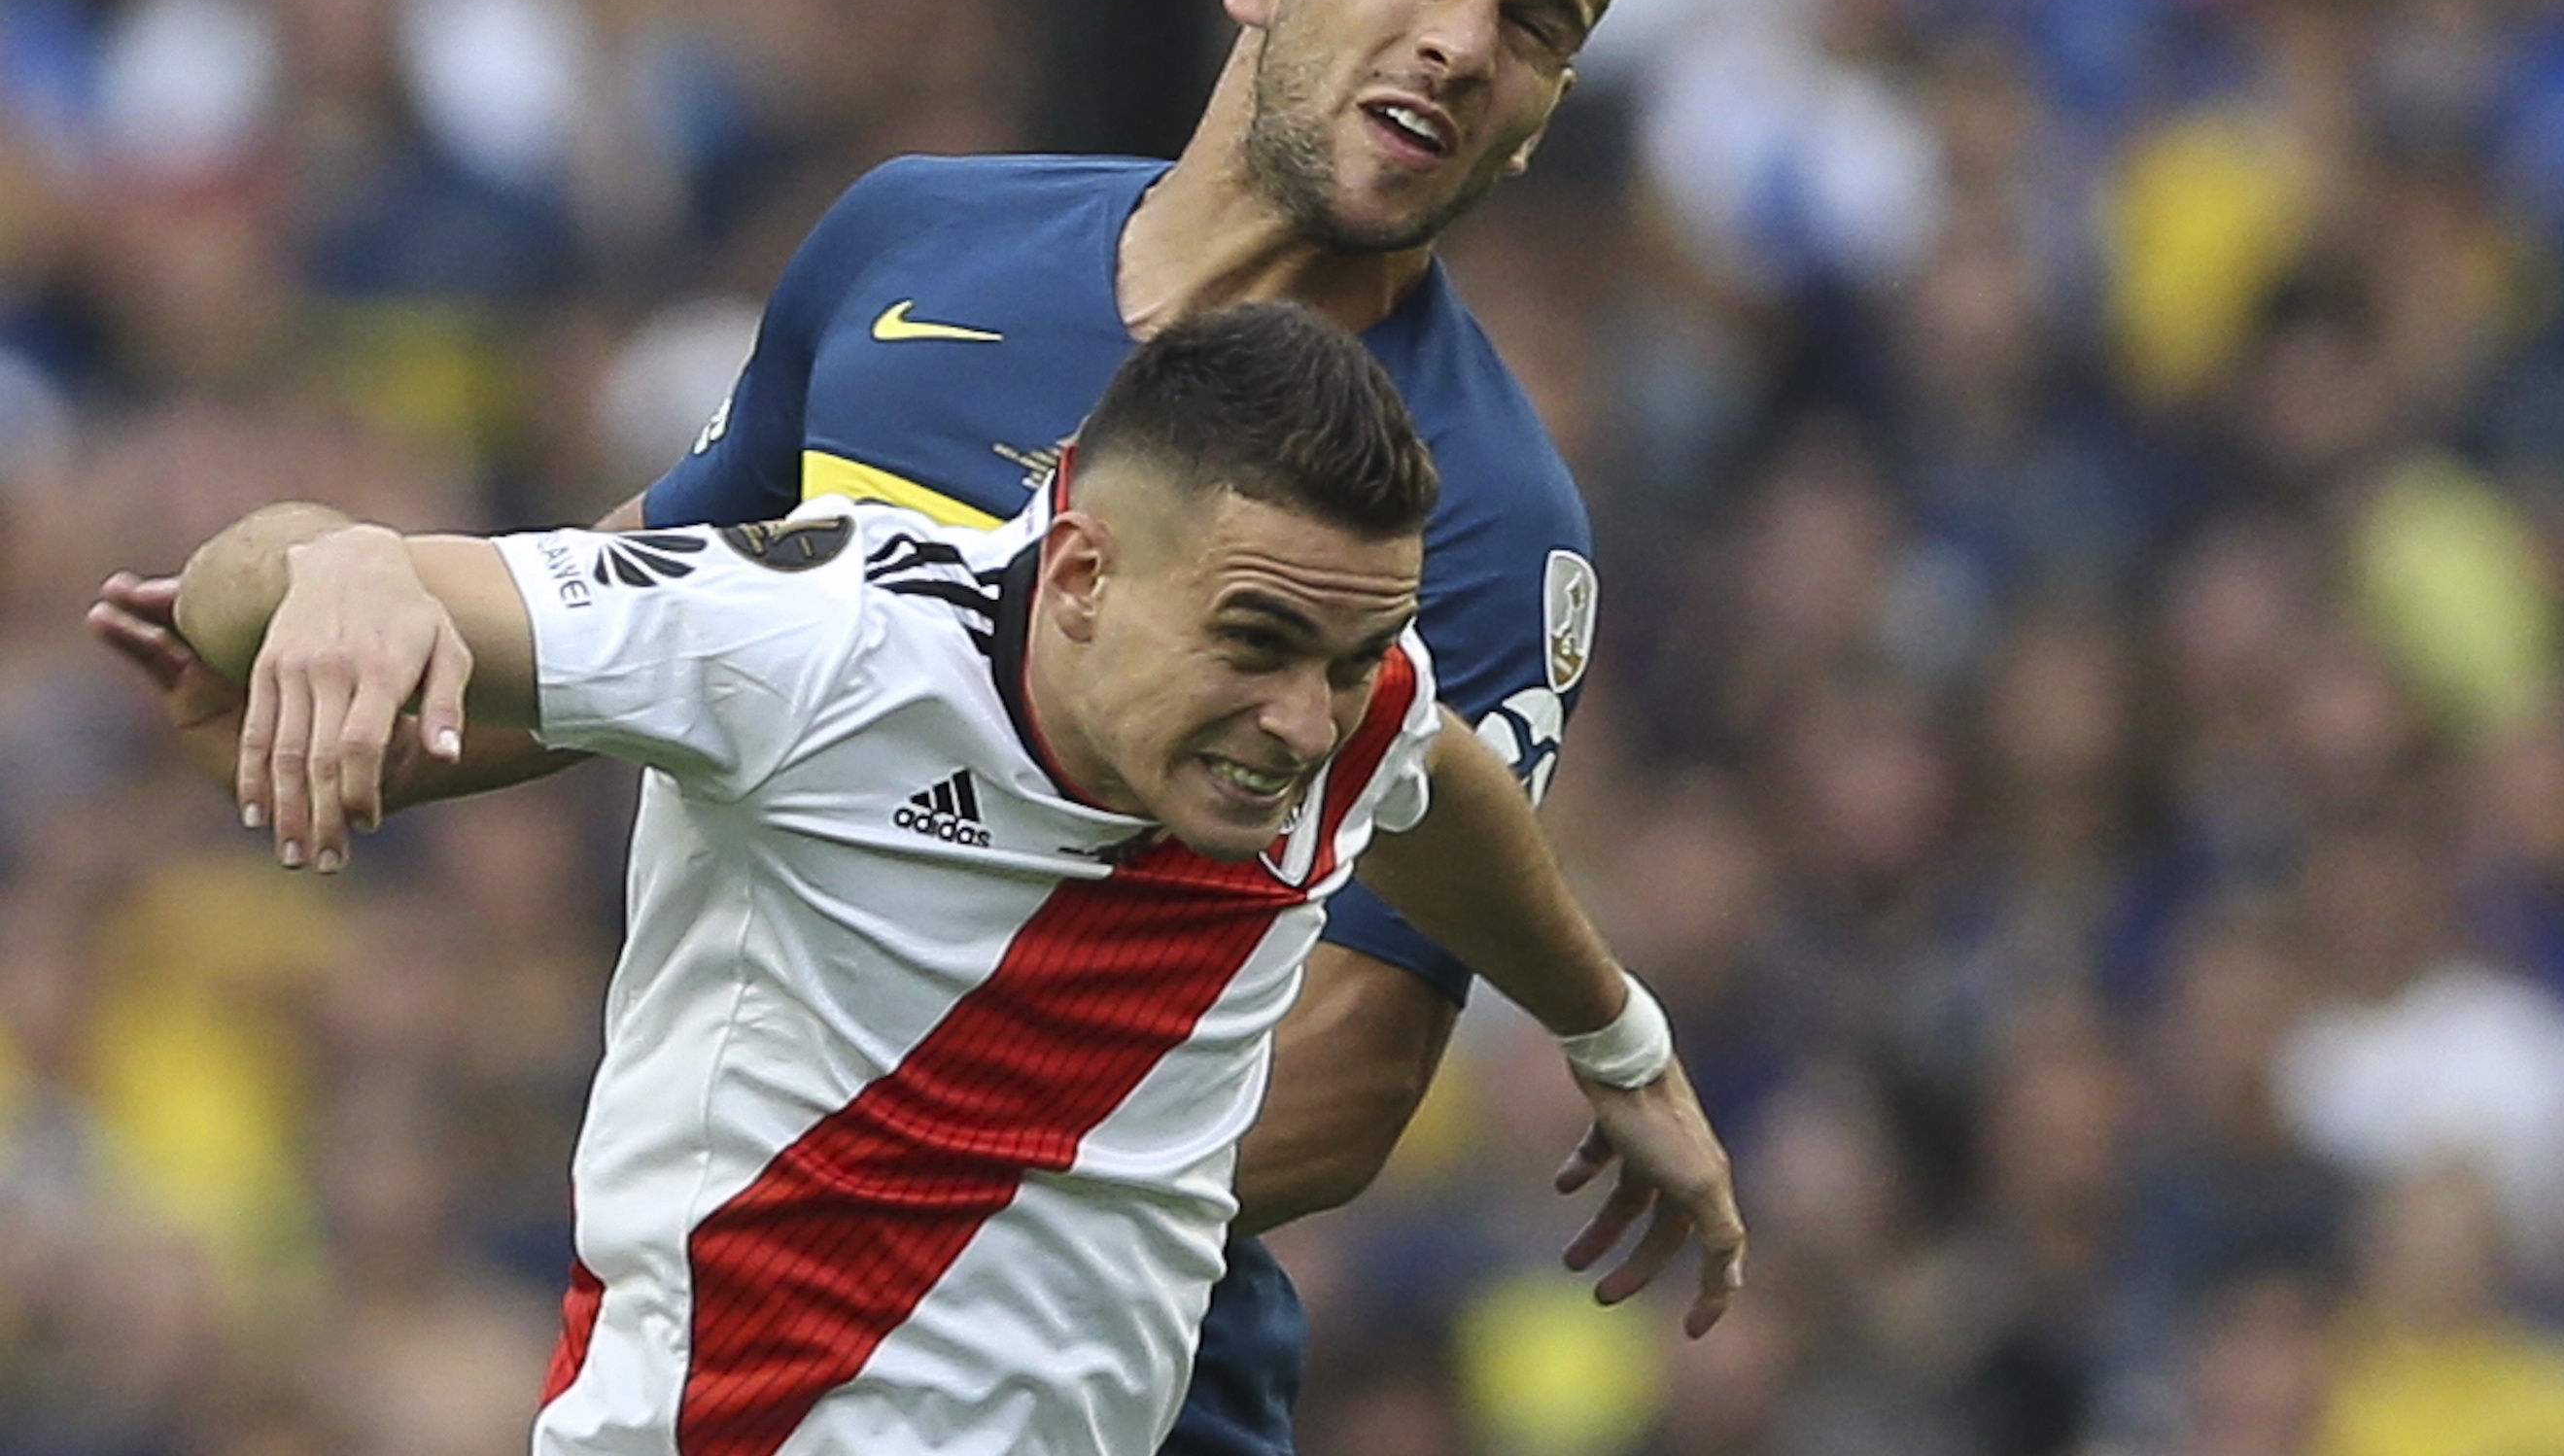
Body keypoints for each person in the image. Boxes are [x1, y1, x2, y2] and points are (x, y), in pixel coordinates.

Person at [93, 0, 1641, 1456]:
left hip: (1113, 1379)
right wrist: (361, 701)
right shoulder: (915, 246)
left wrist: (901, 1202)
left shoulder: (1488, 511)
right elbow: (640, 604)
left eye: (1535, 24)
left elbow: (1352, 1068)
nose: (1461, 41)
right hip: (754, 1317)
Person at [148, 301, 1743, 1456]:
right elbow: (258, 581)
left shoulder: (1340, 703)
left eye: (1344, 658)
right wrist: (340, 563)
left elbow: (1433, 773)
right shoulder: (806, 639)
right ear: (1086, 572)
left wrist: (1615, 1040)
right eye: (1256, 646)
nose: (1301, 722)